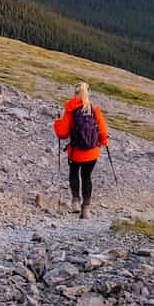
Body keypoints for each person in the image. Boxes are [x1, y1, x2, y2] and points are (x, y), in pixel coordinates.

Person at [53, 81, 109, 217]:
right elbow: (102, 132)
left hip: (76, 152)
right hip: (92, 152)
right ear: (88, 94)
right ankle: (86, 209)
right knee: (87, 177)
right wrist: (103, 142)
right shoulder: (95, 110)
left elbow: (62, 133)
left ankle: (75, 201)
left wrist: (56, 122)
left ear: (75, 93)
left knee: (74, 174)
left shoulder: (70, 110)